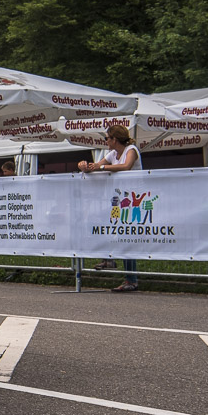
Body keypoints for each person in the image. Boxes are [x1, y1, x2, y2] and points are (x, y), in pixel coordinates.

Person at [80, 124, 142, 292]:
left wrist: (100, 167)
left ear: (115, 139)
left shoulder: (131, 149)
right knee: (99, 222)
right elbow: (97, 165)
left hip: (132, 201)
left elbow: (126, 166)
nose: (106, 141)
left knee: (127, 238)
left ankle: (131, 279)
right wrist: (86, 167)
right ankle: (109, 258)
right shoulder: (113, 153)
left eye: (107, 138)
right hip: (117, 200)